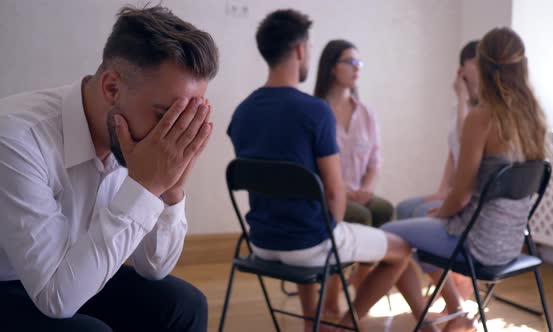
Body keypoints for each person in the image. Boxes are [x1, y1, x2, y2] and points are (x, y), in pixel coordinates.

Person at [0, 5, 219, 332]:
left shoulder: (135, 136)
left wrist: (171, 189)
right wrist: (144, 186)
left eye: (185, 120)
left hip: (69, 271)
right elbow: (56, 299)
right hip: (9, 281)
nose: (172, 138)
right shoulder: (16, 137)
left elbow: (154, 268)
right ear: (112, 88)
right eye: (166, 117)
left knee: (184, 304)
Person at [338, 27, 551, 332]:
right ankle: (439, 319)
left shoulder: (482, 118)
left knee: (391, 235)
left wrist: (440, 214)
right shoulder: (534, 119)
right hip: (512, 244)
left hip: (476, 243)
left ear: (484, 68)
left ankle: (349, 324)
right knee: (416, 230)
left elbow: (461, 196)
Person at [227, 9, 410, 332]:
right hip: (310, 244)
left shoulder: (242, 113)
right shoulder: (316, 111)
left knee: (317, 233)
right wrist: (334, 232)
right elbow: (336, 195)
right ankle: (342, 322)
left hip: (260, 241)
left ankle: (313, 321)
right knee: (402, 248)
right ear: (300, 50)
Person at [313, 39, 394, 314]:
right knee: (361, 216)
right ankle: (334, 294)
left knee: (384, 209)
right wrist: (343, 193)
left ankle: (362, 283)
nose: (357, 67)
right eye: (350, 61)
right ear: (332, 68)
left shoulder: (366, 113)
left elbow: (375, 160)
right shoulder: (316, 110)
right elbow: (311, 166)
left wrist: (368, 188)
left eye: (359, 62)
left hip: (359, 192)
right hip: (328, 194)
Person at [396, 40, 480, 220]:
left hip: (469, 197)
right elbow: (453, 154)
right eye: (475, 61)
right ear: (462, 69)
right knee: (403, 208)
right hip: (452, 191)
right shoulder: (457, 108)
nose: (481, 67)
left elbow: (465, 142)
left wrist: (462, 97)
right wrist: (441, 191)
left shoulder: (482, 112)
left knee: (420, 213)